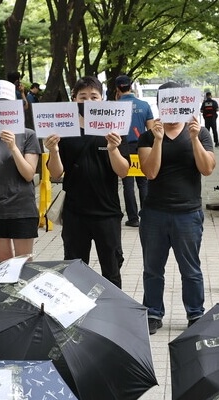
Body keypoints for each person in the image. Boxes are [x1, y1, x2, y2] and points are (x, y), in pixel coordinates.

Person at [138, 81, 216, 335]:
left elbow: (207, 168)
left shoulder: (200, 133)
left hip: (188, 213)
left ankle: (195, 313)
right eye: (166, 103)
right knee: (152, 268)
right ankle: (152, 312)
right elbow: (150, 172)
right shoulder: (149, 135)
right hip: (154, 213)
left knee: (190, 268)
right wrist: (159, 141)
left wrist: (194, 139)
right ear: (160, 105)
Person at [44, 76, 130, 288]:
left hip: (107, 212)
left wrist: (113, 149)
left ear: (102, 99)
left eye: (94, 96)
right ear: (74, 99)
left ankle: (113, 317)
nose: (88, 101)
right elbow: (56, 174)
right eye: (83, 96)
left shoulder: (114, 129)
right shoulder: (62, 129)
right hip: (75, 213)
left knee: (111, 271)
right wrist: (53, 151)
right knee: (74, 272)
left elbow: (123, 171)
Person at [0, 80, 41, 262]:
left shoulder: (28, 135)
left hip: (22, 208)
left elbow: (28, 174)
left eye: (6, 105)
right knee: (4, 265)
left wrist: (13, 147)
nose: (1, 110)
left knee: (24, 265)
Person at [115, 75, 154, 228]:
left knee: (127, 184)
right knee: (143, 183)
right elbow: (151, 131)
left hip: (123, 147)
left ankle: (133, 218)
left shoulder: (114, 106)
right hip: (142, 147)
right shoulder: (144, 105)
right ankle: (146, 216)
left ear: (117, 88)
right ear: (131, 86)